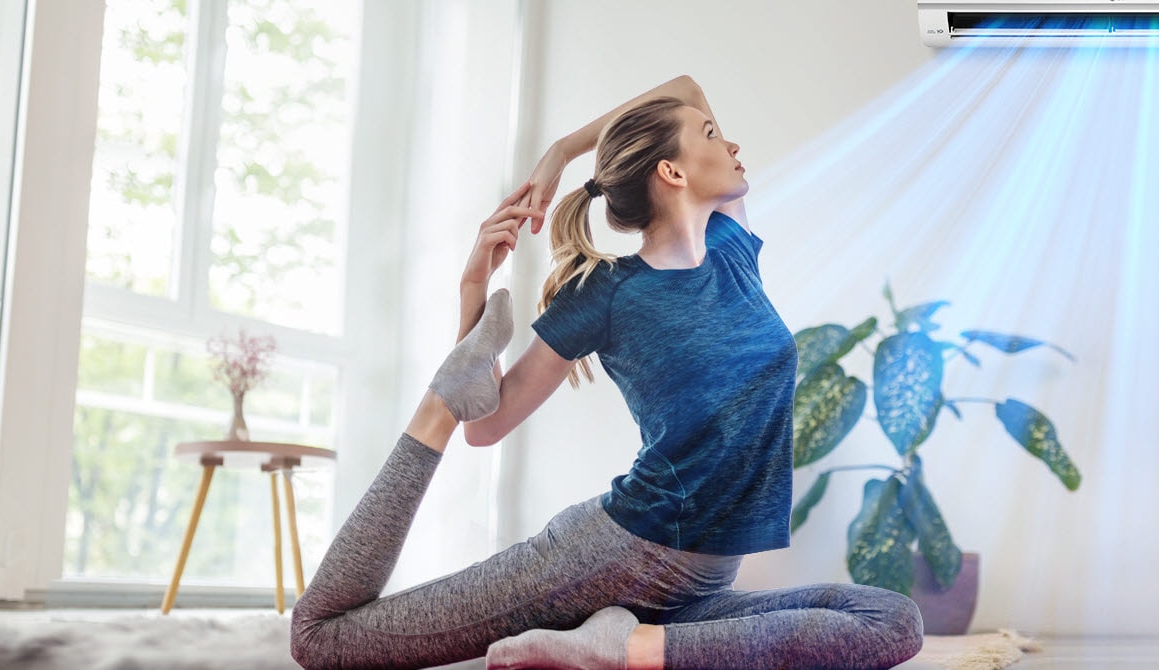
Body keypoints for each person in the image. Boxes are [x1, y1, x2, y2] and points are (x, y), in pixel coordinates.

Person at [290, 76, 924, 670]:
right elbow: (485, 427)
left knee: (889, 620)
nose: (730, 142)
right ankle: (434, 410)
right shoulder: (608, 293)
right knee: (323, 638)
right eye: (709, 135)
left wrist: (562, 151)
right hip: (616, 555)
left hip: (700, 581)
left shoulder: (732, 251)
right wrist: (473, 286)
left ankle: (628, 644)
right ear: (672, 171)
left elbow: (682, 87)